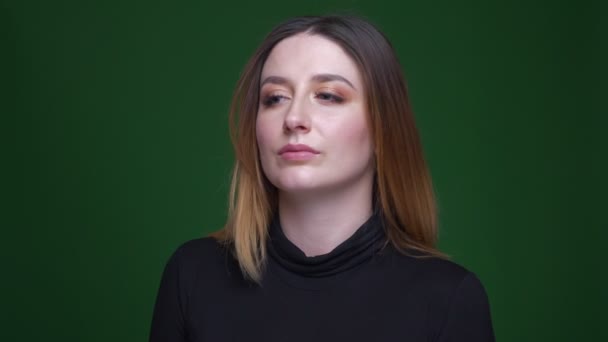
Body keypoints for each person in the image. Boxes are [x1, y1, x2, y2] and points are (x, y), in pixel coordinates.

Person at [149, 15, 495, 342]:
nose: (294, 118)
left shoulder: (449, 298)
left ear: (383, 126)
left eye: (328, 95)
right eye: (275, 98)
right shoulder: (192, 275)